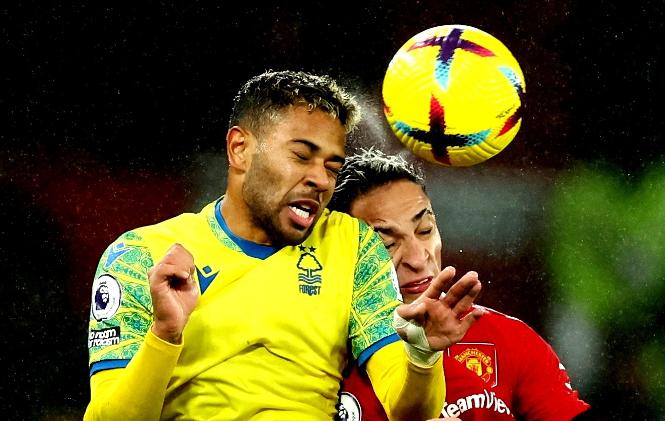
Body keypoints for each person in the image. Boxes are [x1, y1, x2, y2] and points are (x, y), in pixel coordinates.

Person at [84, 70, 486, 420]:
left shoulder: (353, 246)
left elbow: (409, 411)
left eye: (332, 166)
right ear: (240, 149)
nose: (321, 180)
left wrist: (421, 356)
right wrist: (165, 334)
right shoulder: (142, 256)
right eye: (302, 156)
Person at [330, 148, 596, 421]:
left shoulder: (509, 340)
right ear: (337, 251)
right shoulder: (312, 351)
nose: (418, 258)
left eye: (425, 230)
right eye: (387, 243)